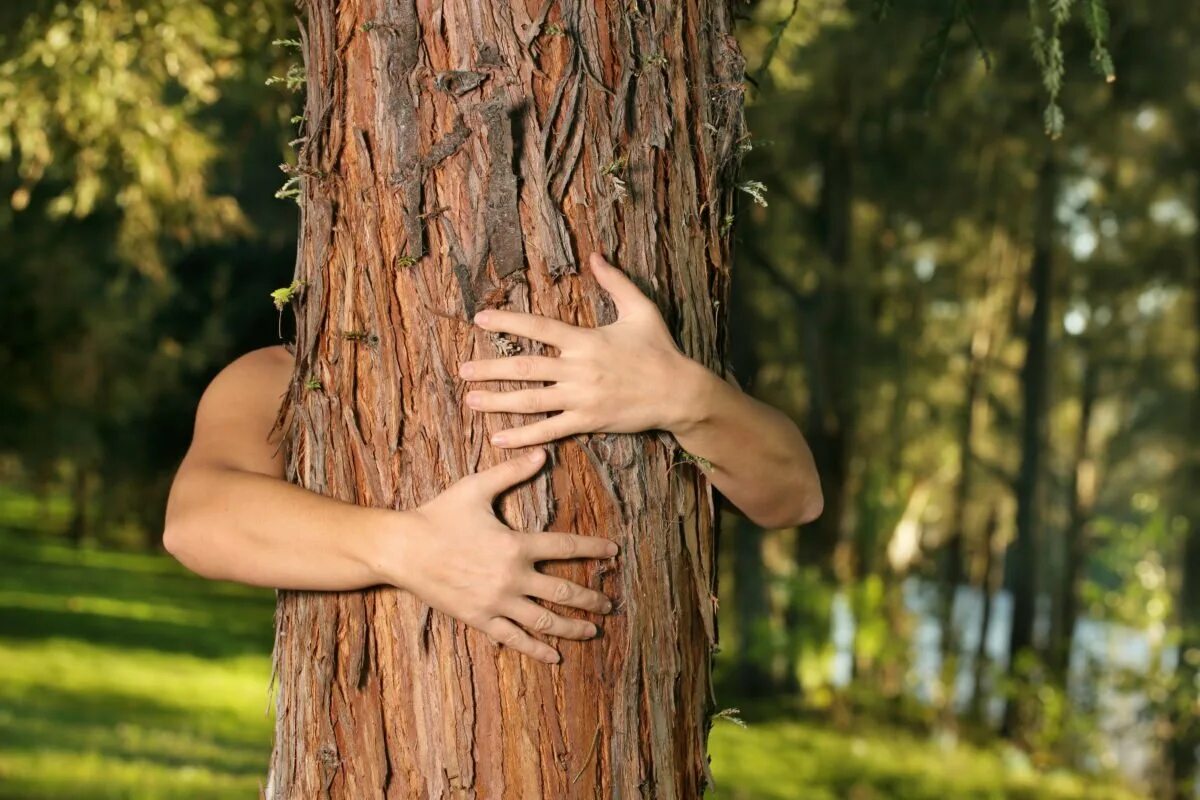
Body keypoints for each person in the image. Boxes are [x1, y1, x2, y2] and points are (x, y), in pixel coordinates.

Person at [163, 252, 822, 664]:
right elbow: (195, 523)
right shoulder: (284, 376)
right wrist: (407, 549)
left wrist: (685, 398)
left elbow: (794, 496)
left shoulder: (633, 356)